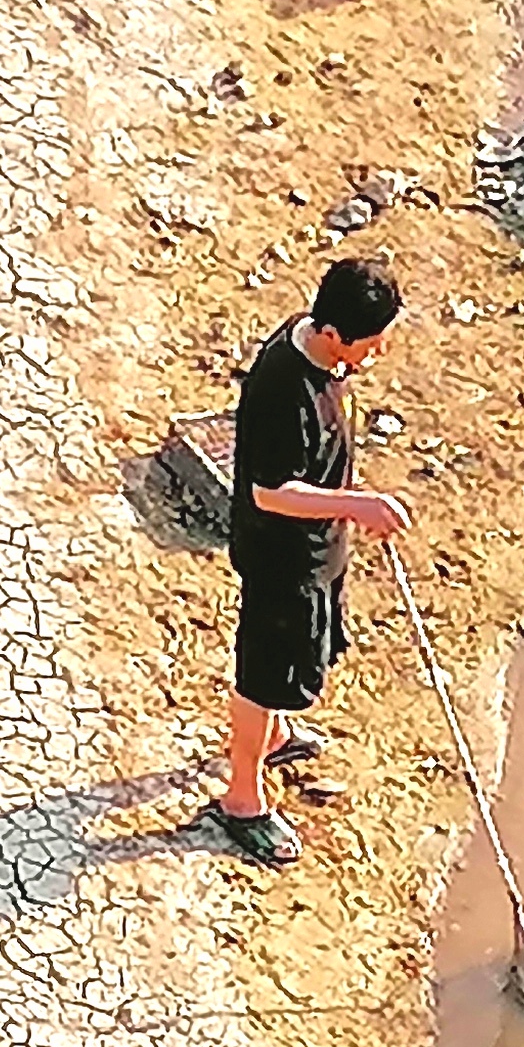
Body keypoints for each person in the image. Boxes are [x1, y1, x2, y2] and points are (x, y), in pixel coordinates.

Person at [208, 257, 412, 867]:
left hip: (317, 553)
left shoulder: (319, 345)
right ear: (331, 334)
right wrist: (359, 505)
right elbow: (270, 492)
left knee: (296, 665)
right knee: (263, 677)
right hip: (281, 562)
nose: (373, 358)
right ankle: (243, 798)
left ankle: (270, 736)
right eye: (368, 347)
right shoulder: (282, 391)